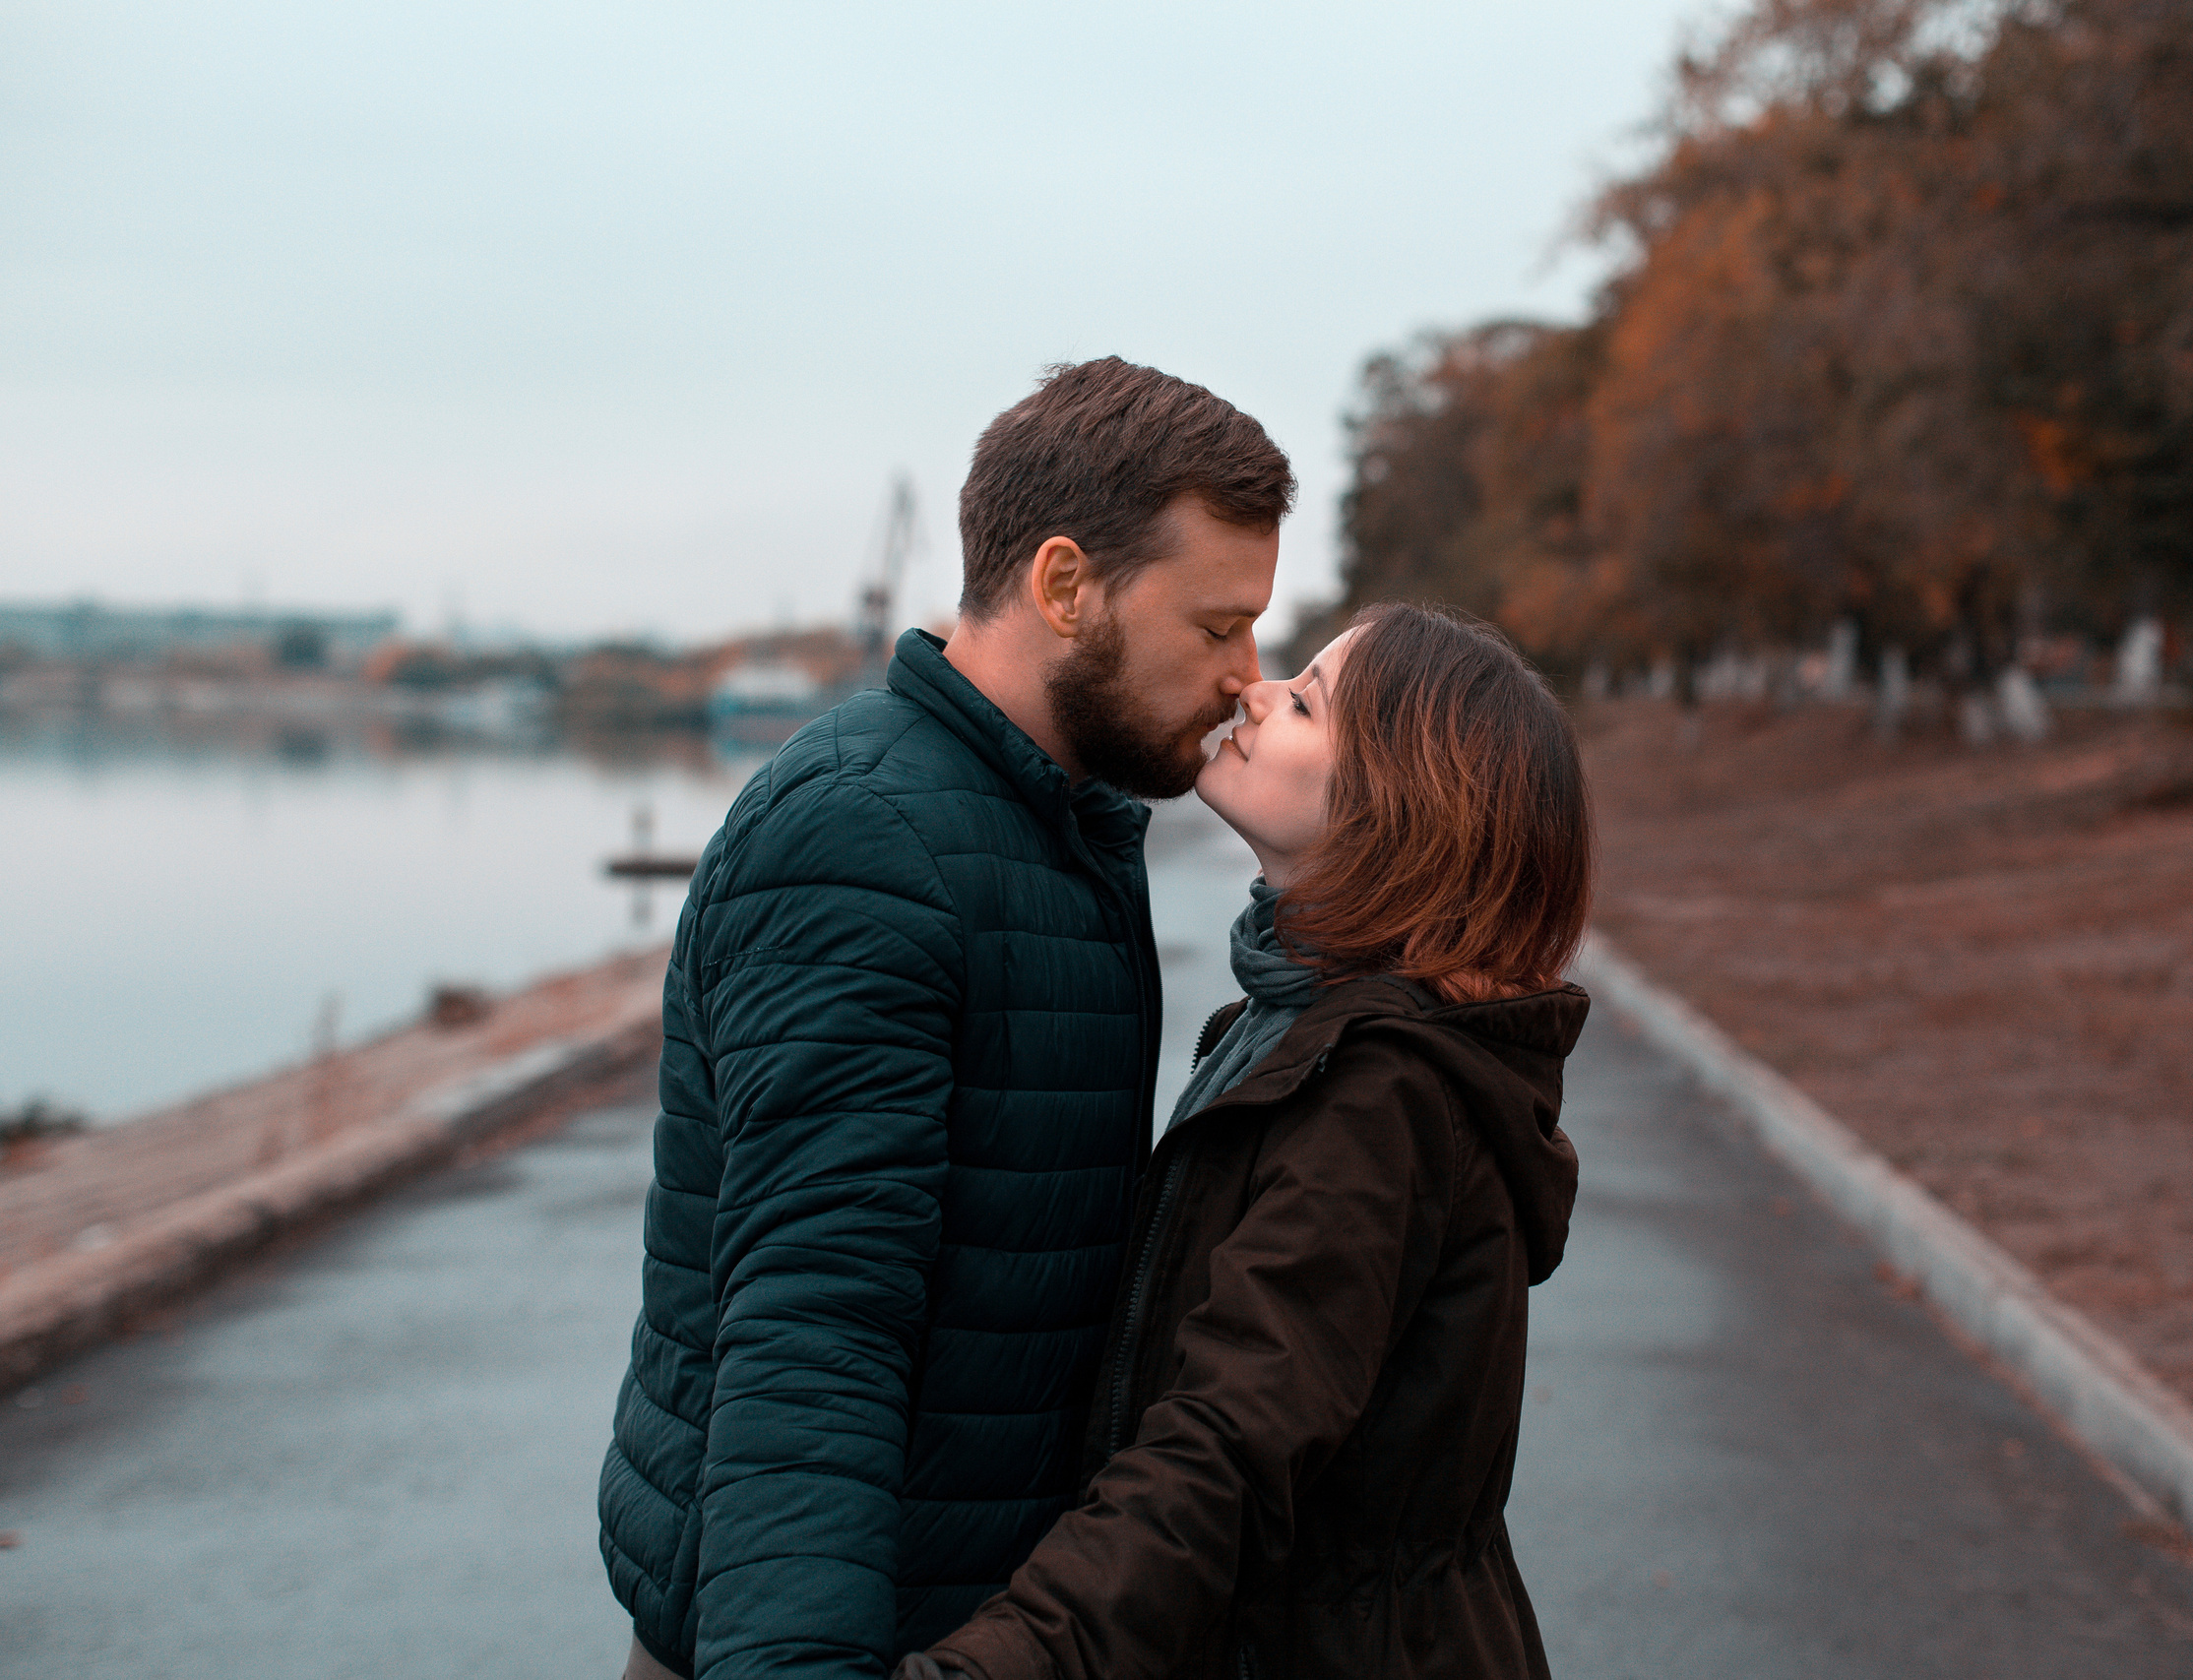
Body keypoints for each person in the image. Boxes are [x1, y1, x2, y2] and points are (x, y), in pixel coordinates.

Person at [597, 357, 1295, 1680]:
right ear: (1064, 585)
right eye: (1216, 628)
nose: (1244, 677)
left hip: (965, 1616)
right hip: (825, 1635)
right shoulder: (870, 832)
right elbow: (814, 1328)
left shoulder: (1054, 820)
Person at [908, 601, 1595, 1680]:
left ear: (1396, 807)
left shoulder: (1380, 1092)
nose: (1253, 689)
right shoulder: (1290, 1032)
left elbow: (1224, 1449)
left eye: (1307, 699)